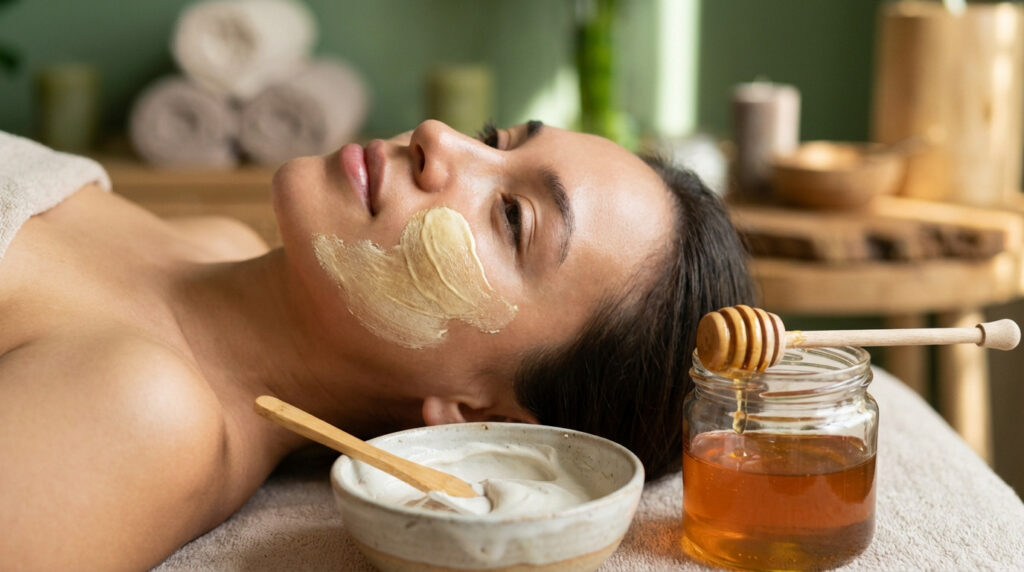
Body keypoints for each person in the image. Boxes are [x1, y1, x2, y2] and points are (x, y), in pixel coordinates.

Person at [0, 119, 752, 570]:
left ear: (477, 420)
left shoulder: (145, 419)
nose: (437, 138)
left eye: (512, 218)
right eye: (495, 138)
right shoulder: (217, 243)